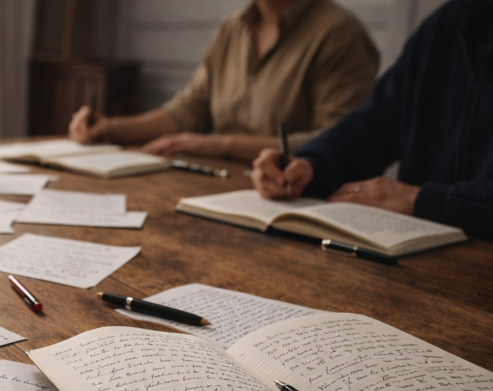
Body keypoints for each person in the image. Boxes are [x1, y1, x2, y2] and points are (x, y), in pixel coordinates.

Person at [252, 0, 493, 237]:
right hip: (417, 249)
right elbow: (370, 128)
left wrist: (426, 200)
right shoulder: (448, 24)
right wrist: (310, 165)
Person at [68, 0, 379, 162]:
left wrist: (223, 145)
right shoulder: (232, 28)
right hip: (220, 187)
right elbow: (192, 110)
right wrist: (110, 128)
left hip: (295, 200)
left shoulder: (339, 34)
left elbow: (338, 143)